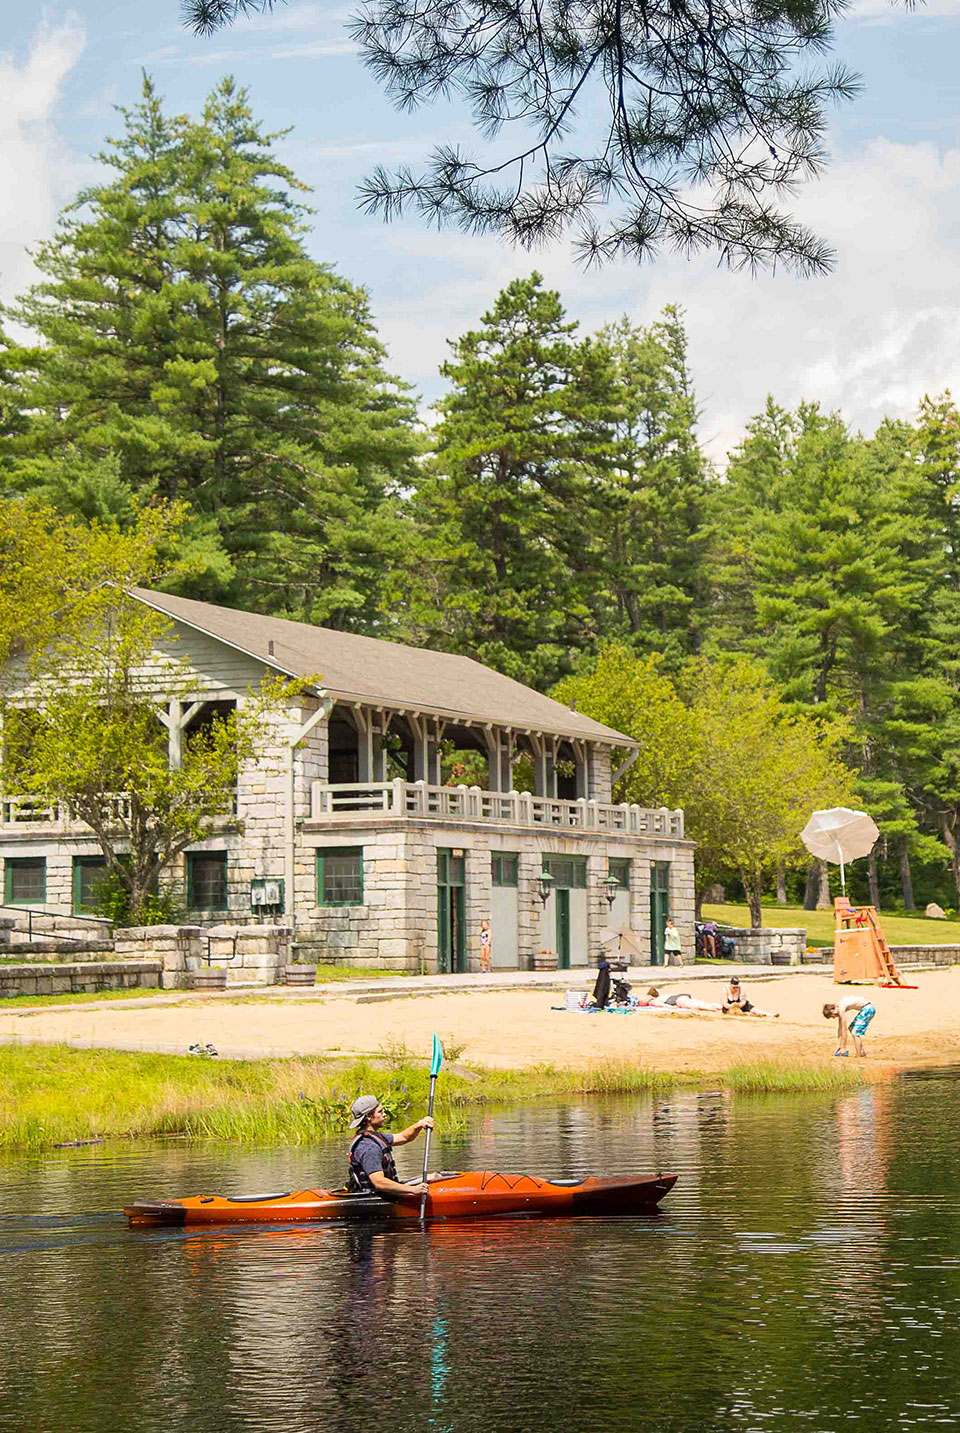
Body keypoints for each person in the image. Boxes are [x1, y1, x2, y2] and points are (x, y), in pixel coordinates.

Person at [347, 1094, 435, 1197]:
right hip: (376, 1196)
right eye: (380, 1112)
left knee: (435, 1177)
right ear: (369, 1117)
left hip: (385, 1192)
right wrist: (413, 1190)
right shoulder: (369, 1147)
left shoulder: (374, 1136)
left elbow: (404, 1137)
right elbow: (379, 1182)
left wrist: (419, 1124)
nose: (384, 1115)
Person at [647, 986, 722, 1013]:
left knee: (696, 1005)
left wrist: (672, 1007)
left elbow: (661, 1005)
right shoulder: (663, 995)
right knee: (697, 1002)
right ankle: (719, 1006)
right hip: (680, 996)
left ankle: (711, 1008)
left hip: (677, 1000)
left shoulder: (655, 1000)